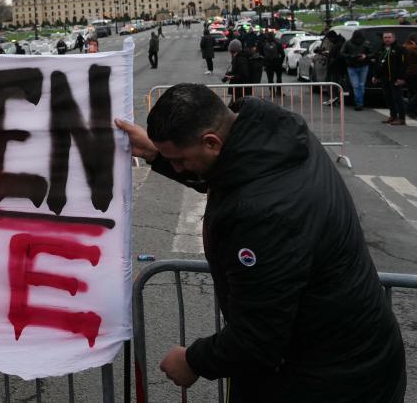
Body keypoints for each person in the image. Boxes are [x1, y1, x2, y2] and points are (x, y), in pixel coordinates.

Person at [115, 84, 406, 402]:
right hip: (353, 354)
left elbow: (258, 338)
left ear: (211, 142)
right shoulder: (273, 134)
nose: (178, 168)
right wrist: (157, 154)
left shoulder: (262, 213)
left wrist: (193, 361)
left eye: (181, 160)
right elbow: (230, 173)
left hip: (332, 380)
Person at [373, 31, 406, 125]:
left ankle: (401, 118)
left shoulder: (400, 49)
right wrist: (375, 76)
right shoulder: (382, 49)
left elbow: (404, 65)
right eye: (385, 37)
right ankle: (393, 115)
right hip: (384, 78)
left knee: (397, 98)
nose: (387, 39)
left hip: (395, 78)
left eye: (389, 37)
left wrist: (401, 78)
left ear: (393, 38)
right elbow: (378, 63)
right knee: (388, 98)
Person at [340, 29, 371, 111]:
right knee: (360, 85)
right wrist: (365, 56)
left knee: (356, 86)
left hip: (353, 66)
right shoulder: (366, 43)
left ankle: (359, 102)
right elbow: (371, 53)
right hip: (361, 66)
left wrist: (352, 56)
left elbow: (342, 53)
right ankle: (360, 102)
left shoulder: (348, 43)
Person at [405, 32, 417, 120]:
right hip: (413, 72)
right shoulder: (412, 48)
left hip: (409, 73)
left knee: (412, 92)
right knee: (414, 93)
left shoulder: (406, 46)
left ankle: (413, 111)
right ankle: (410, 109)